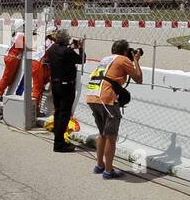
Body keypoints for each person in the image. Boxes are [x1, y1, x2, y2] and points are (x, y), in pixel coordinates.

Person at [87, 39, 142, 178]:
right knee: (111, 137)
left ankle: (100, 165)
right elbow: (139, 78)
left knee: (102, 134)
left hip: (93, 96)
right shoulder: (123, 59)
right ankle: (108, 171)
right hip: (107, 100)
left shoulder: (106, 59)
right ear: (125, 51)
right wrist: (136, 60)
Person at [42, 30, 84, 154]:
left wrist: (71, 47)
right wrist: (80, 48)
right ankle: (59, 144)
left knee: (58, 113)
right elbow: (82, 60)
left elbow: (62, 53)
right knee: (64, 115)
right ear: (66, 40)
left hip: (55, 84)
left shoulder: (52, 49)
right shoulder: (67, 51)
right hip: (66, 86)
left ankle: (58, 140)